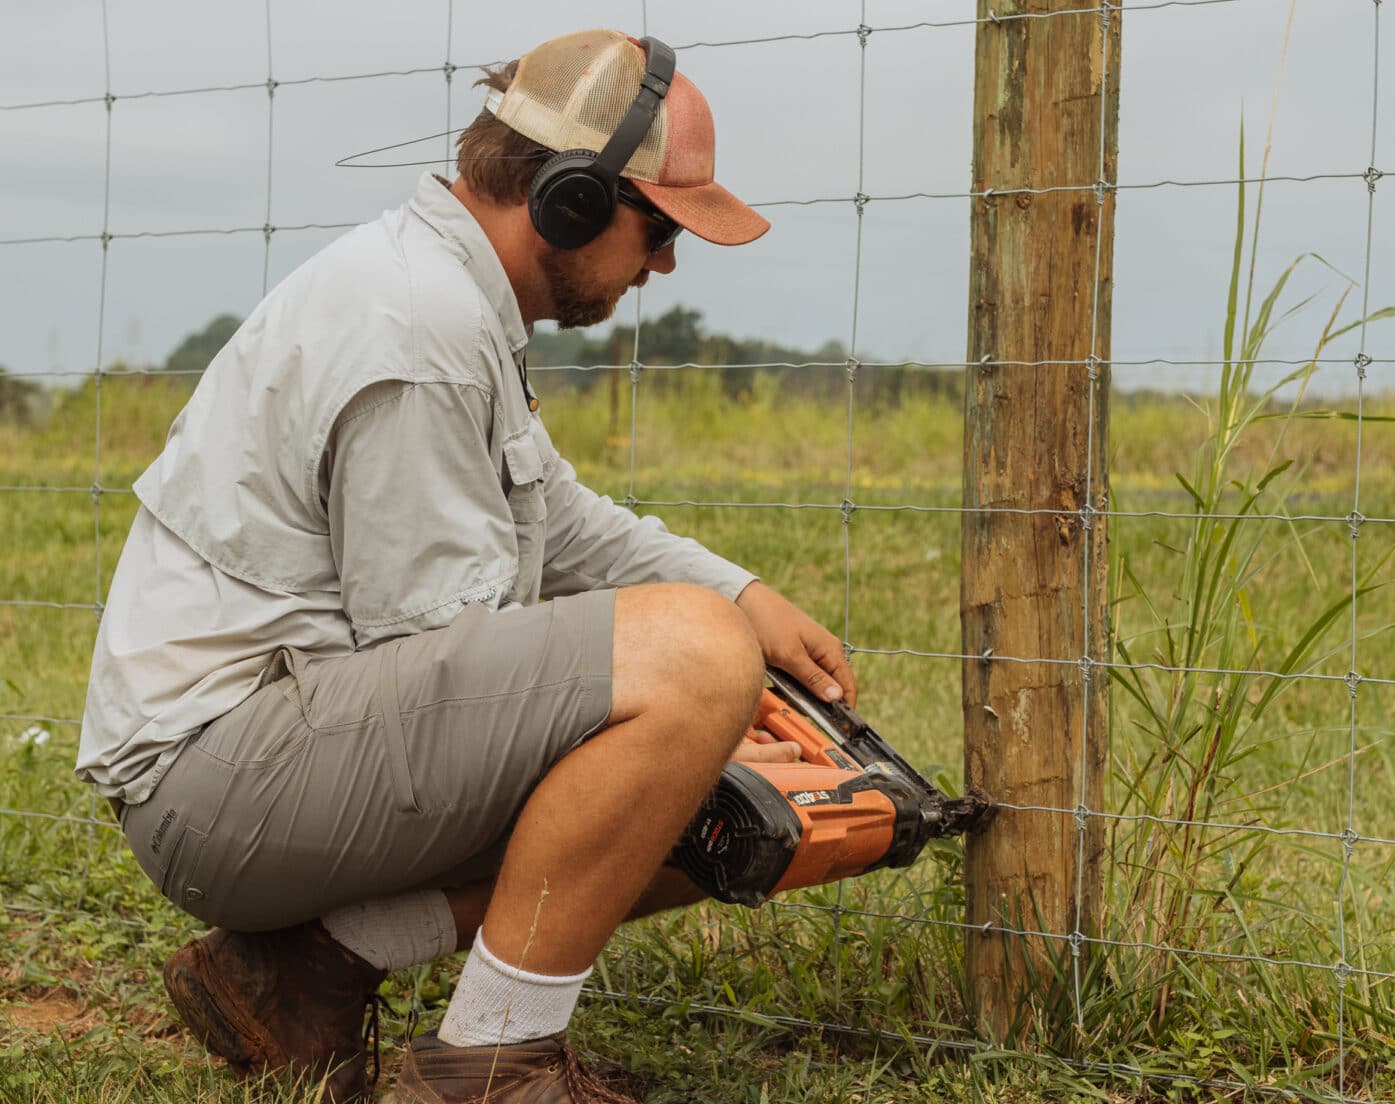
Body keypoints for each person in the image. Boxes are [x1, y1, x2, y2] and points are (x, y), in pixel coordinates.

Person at [76, 28, 856, 1104]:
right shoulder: (420, 325)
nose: (668, 264)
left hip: (266, 757)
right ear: (569, 200)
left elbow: (565, 525)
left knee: (712, 727)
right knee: (697, 689)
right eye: (660, 227)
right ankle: (490, 1063)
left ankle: (314, 967)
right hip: (219, 788)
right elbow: (440, 642)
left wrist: (742, 594)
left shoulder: (443, 294)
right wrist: (703, 695)